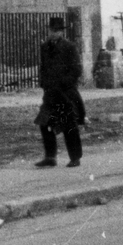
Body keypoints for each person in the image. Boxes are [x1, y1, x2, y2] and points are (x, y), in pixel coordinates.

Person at [35, 34, 85, 167]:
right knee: (45, 122)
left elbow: (77, 70)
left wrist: (64, 83)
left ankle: (75, 158)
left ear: (62, 32)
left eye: (57, 30)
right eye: (52, 29)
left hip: (65, 93)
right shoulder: (45, 47)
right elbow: (43, 67)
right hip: (50, 93)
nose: (54, 32)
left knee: (69, 124)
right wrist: (44, 83)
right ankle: (50, 157)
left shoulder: (69, 47)